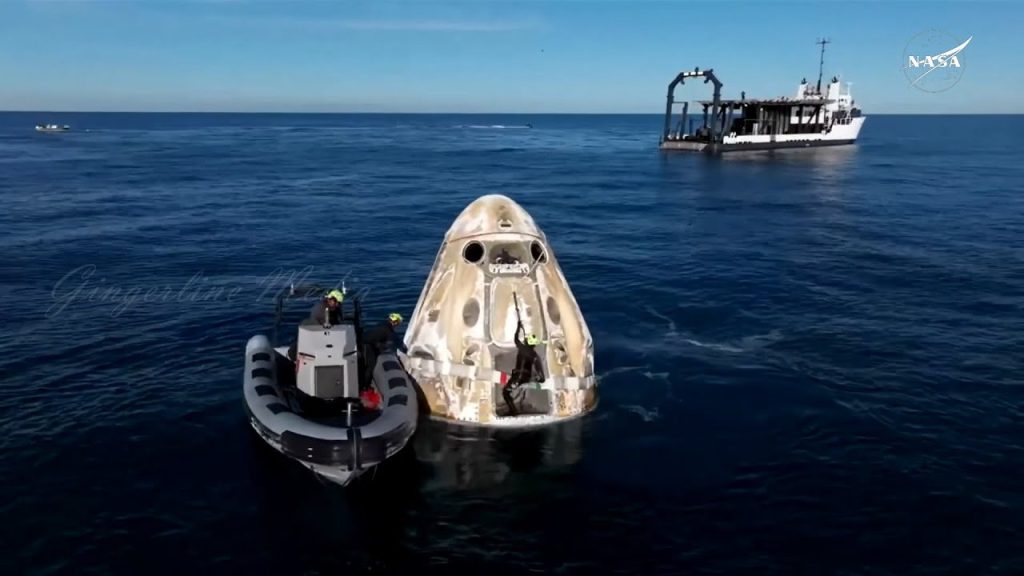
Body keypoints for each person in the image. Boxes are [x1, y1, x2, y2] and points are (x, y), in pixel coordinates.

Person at [502, 324, 545, 416]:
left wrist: (518, 327)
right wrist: (535, 379)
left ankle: (513, 411)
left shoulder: (521, 347)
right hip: (526, 379)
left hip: (517, 378)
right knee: (516, 388)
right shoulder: (535, 356)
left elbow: (516, 339)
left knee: (505, 392)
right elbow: (542, 378)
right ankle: (518, 404)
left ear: (526, 341)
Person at [362, 313, 405, 382]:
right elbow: (393, 342)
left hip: (365, 340)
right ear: (395, 322)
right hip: (367, 344)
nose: (398, 324)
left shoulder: (383, 324)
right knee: (371, 365)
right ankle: (365, 386)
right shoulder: (388, 331)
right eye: (398, 322)